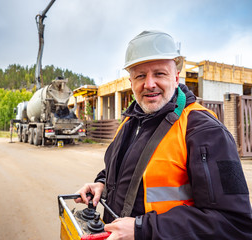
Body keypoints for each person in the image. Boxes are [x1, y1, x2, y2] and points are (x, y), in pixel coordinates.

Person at [75, 30, 252, 240]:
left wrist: (143, 230)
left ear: (176, 78)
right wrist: (102, 184)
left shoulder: (205, 131)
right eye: (140, 75)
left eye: (159, 73)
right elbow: (128, 172)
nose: (149, 84)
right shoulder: (131, 121)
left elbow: (234, 223)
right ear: (131, 82)